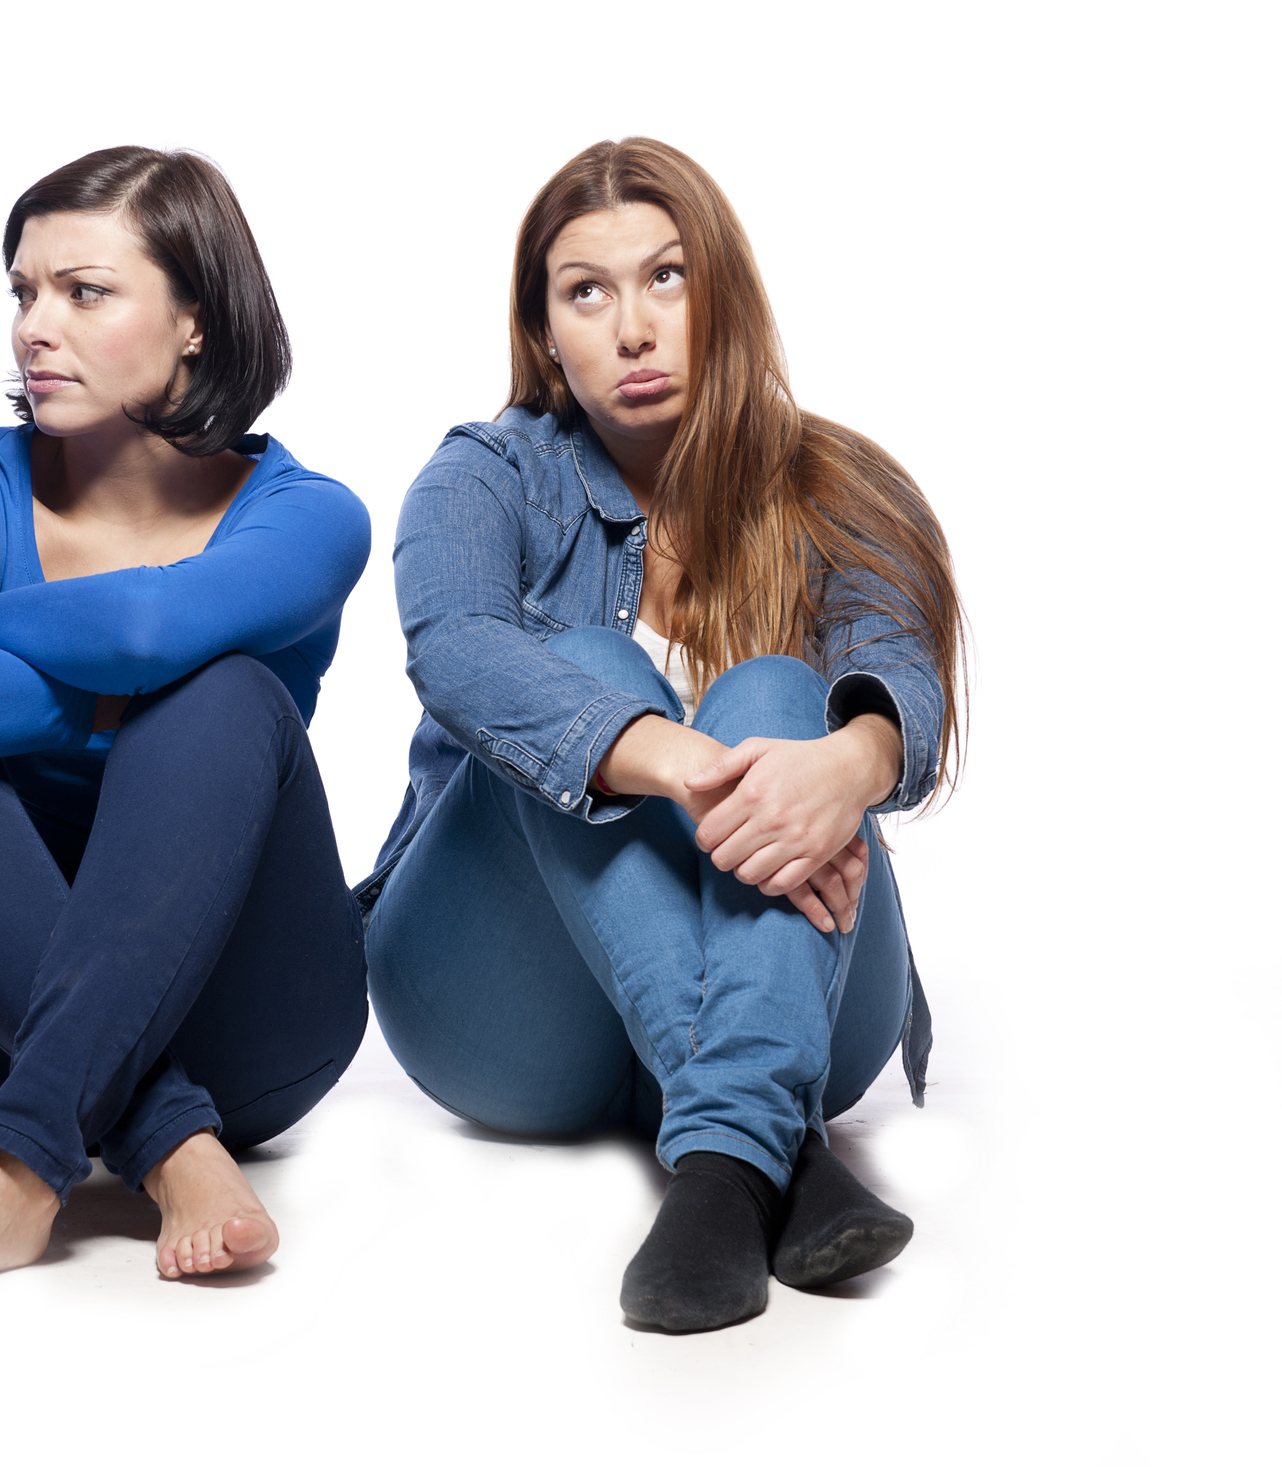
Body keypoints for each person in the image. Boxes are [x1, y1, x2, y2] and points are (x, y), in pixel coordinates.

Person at [359, 138, 965, 1332]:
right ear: (546, 334)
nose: (632, 327)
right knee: (579, 668)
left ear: (723, 293)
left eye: (667, 278)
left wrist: (847, 768)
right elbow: (459, 651)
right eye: (587, 291)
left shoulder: (836, 486)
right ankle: (773, 1146)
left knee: (784, 691)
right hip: (505, 1015)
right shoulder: (485, 479)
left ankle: (719, 1165)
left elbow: (898, 667)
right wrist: (688, 767)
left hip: (805, 1001)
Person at [0, 147, 371, 1299]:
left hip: (254, 1031)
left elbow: (155, 631)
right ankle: (154, 1141)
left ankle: (21, 1160)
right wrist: (105, 698)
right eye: (23, 291)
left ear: (196, 321)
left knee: (222, 691)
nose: (33, 328)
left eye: (83, 291)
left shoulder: (308, 516)